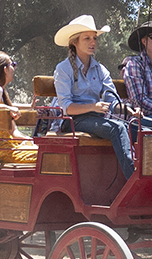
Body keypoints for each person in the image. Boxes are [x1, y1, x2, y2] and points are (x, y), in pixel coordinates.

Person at [51, 15, 135, 180]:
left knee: (138, 127)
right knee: (117, 128)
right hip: (73, 122)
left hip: (96, 118)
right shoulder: (63, 69)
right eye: (87, 38)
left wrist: (129, 110)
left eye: (95, 38)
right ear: (74, 42)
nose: (93, 42)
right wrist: (93, 107)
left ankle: (149, 175)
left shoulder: (100, 69)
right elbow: (66, 107)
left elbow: (112, 100)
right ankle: (133, 179)